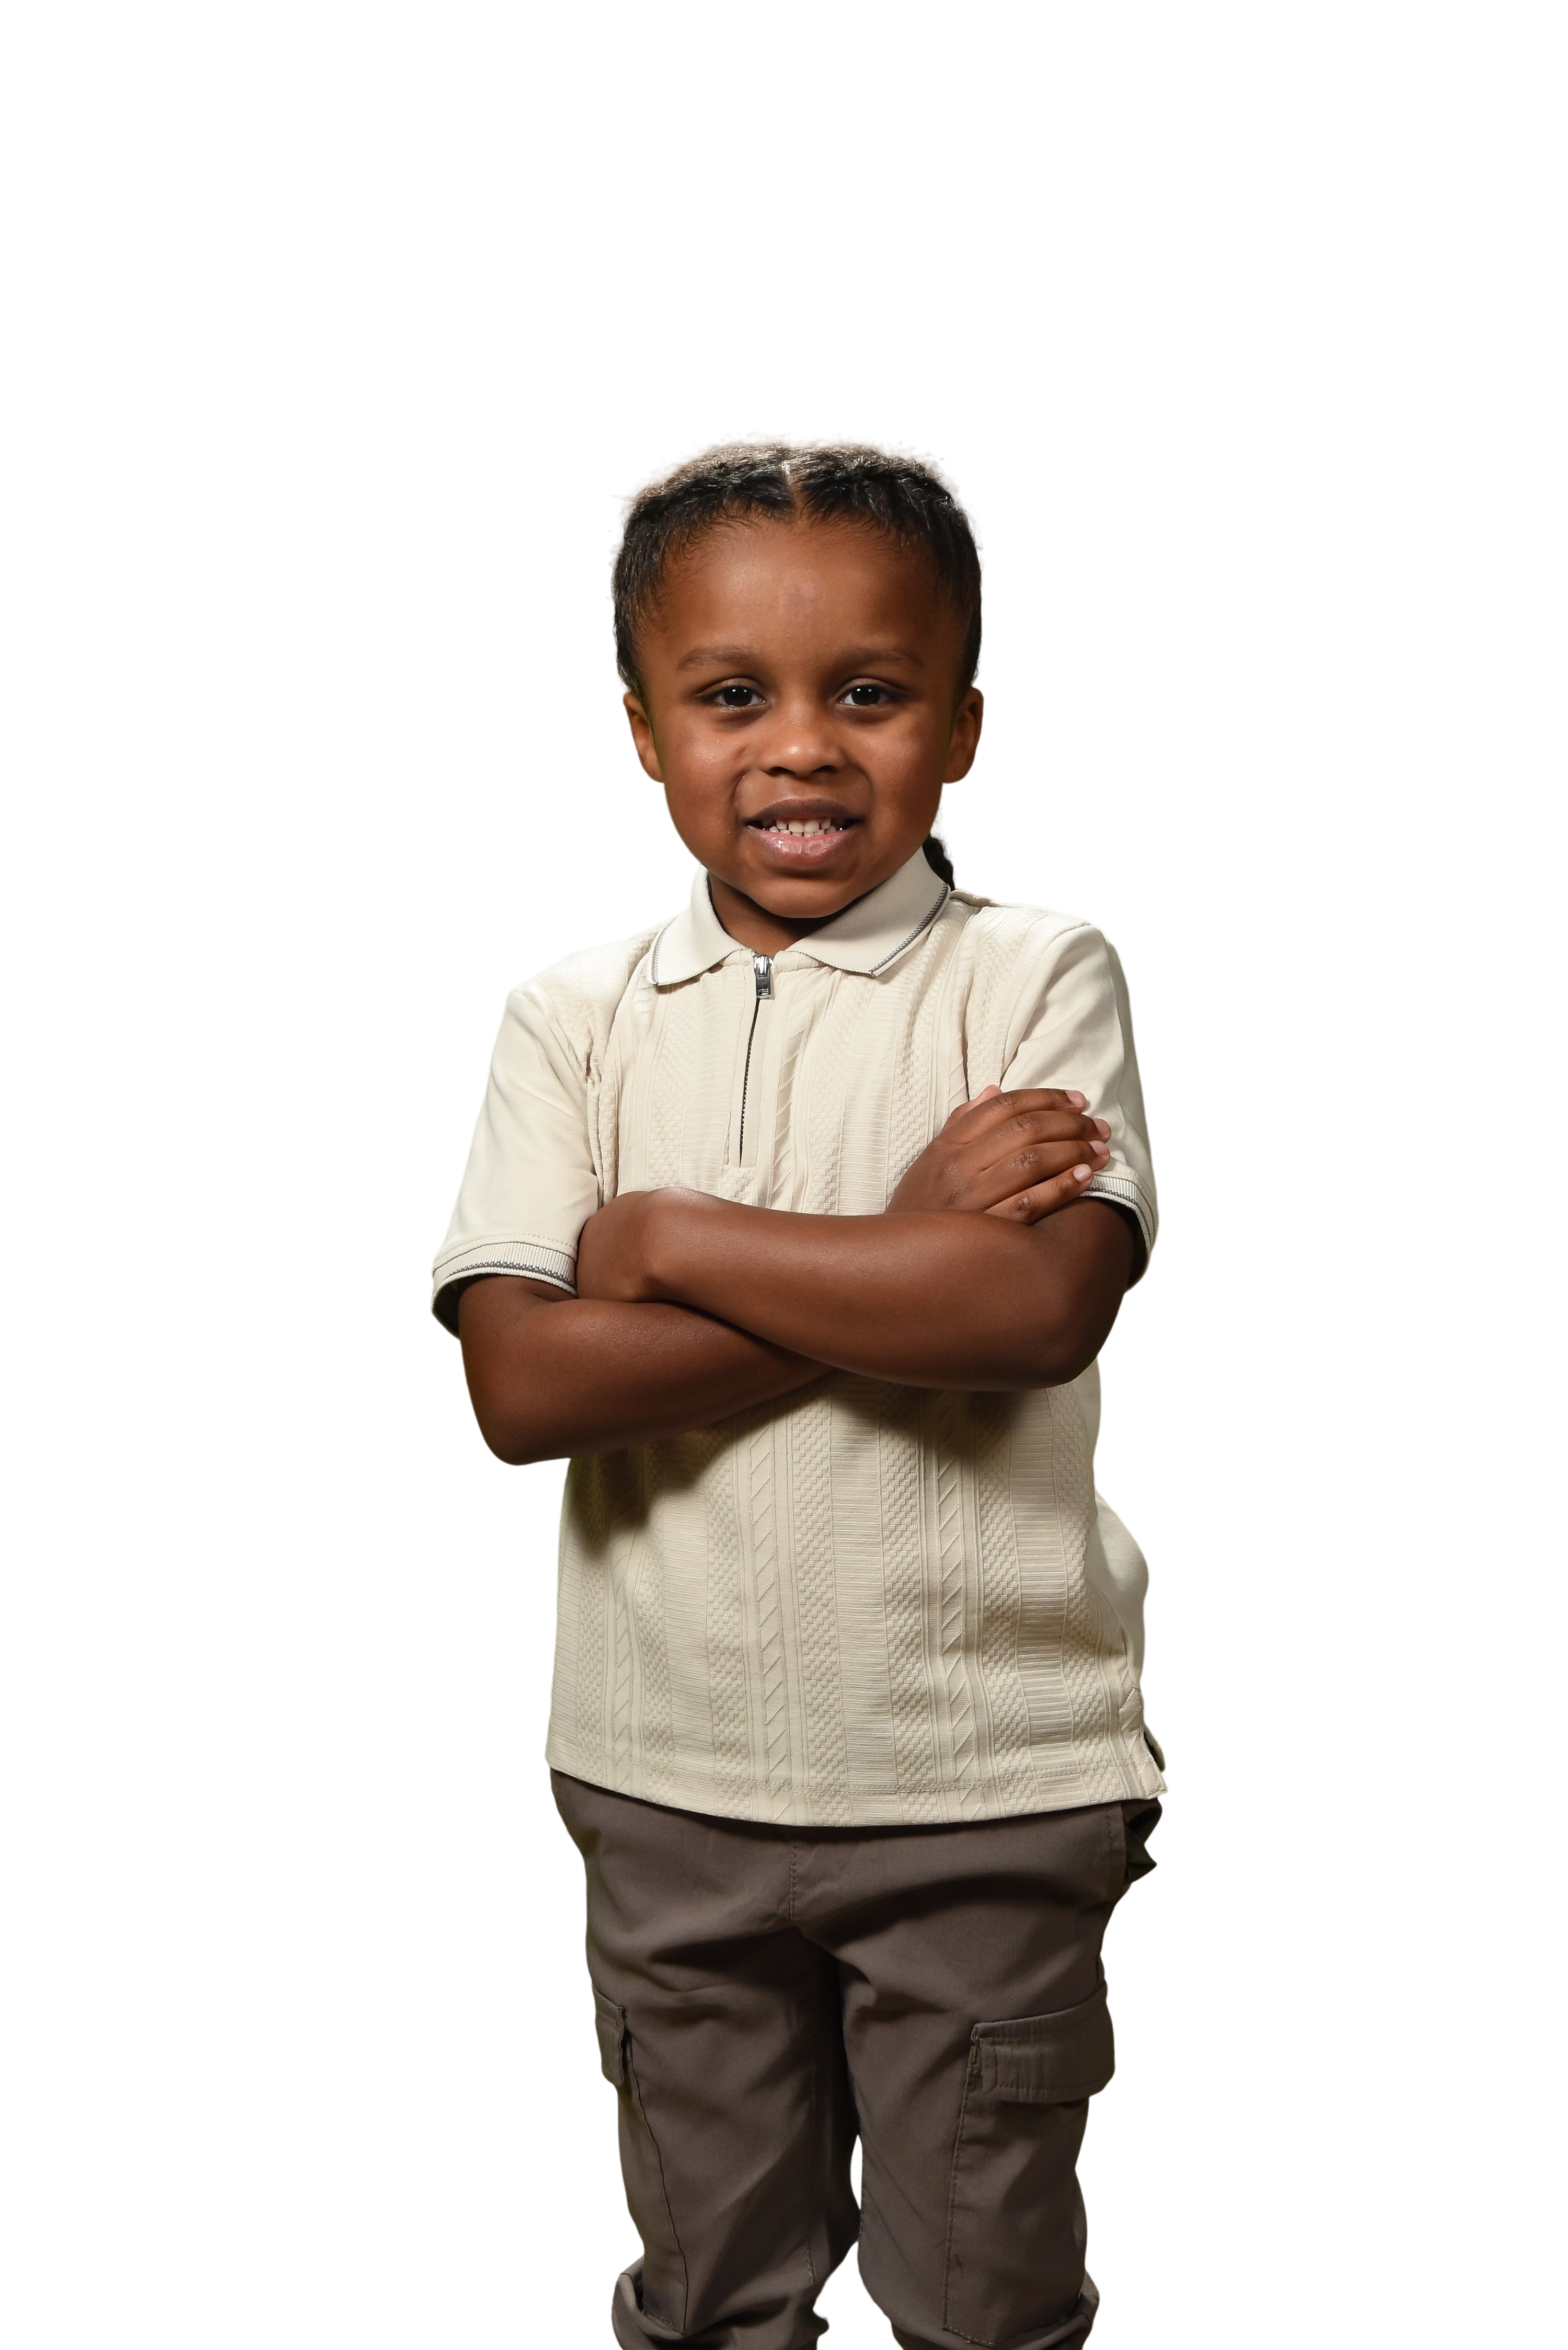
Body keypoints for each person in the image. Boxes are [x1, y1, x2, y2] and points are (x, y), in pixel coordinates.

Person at [426, 428, 1168, 2350]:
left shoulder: (1036, 976)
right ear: (644, 731)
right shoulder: (572, 1020)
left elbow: (1035, 1312)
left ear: (967, 723)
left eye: (872, 692)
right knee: (715, 2293)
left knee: (985, 2299)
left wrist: (665, 1237)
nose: (803, 749)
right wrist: (906, 1241)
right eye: (733, 696)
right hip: (663, 1777)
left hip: (985, 1781)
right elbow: (525, 1390)